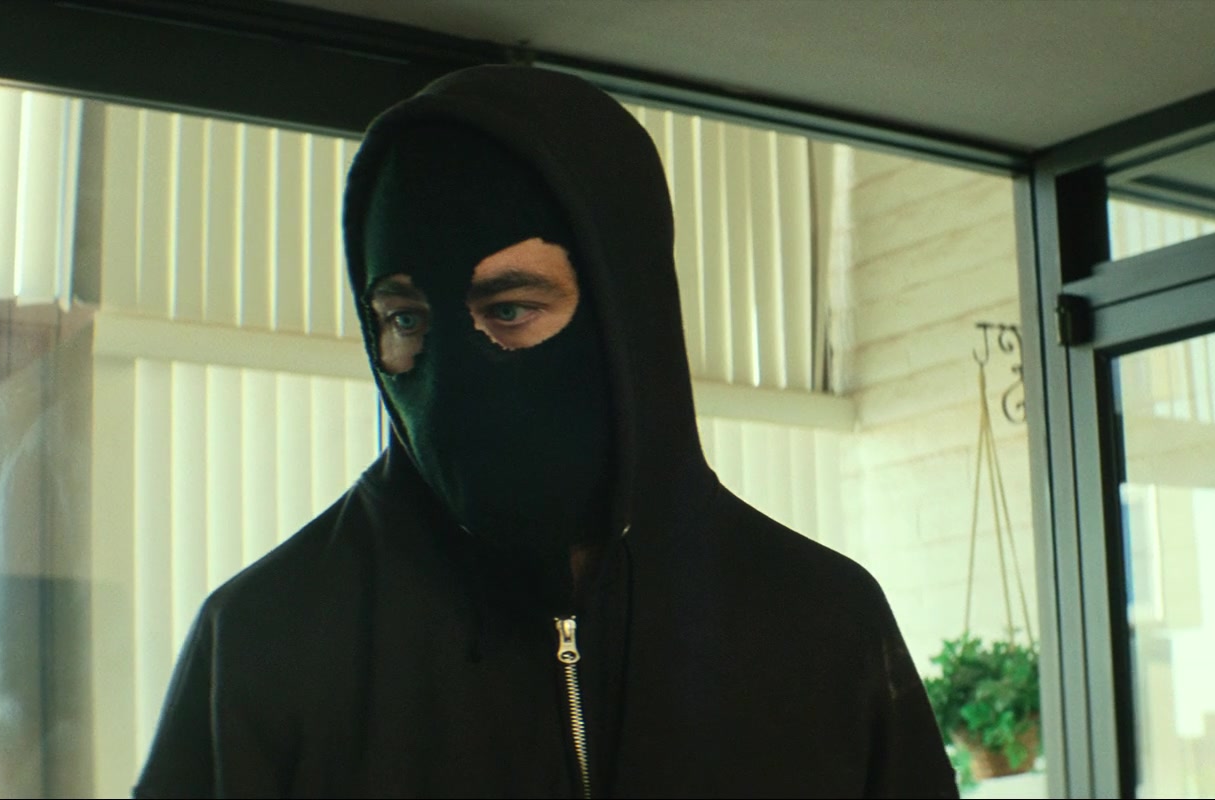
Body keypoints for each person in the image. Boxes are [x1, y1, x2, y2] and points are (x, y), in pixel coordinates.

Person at [133, 65, 957, 799]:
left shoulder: (819, 623)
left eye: (511, 309)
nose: (452, 376)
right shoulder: (267, 640)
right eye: (406, 319)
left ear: (623, 312)